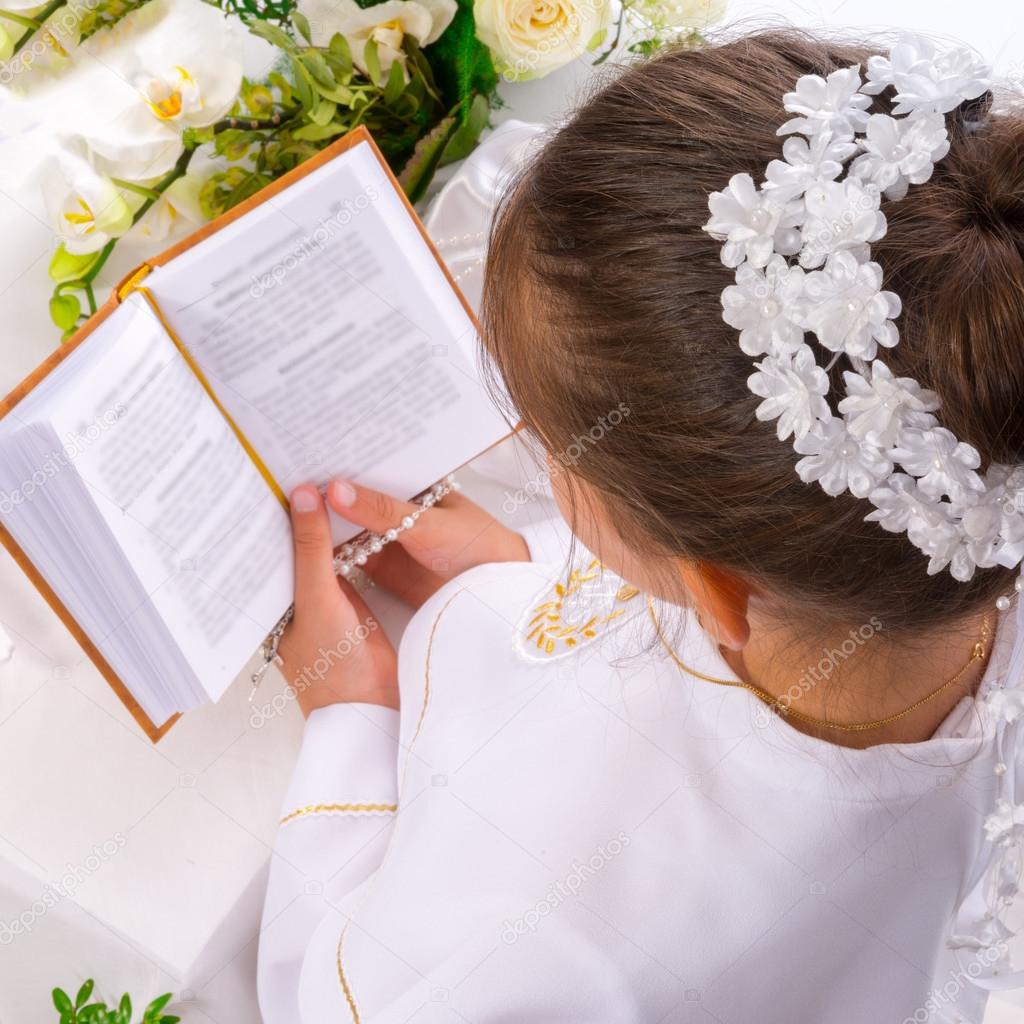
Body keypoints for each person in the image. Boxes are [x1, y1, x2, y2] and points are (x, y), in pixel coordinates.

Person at [257, 30, 1024, 1024]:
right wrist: (516, 580)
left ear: (710, 586)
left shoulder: (581, 940)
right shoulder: (969, 490)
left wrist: (351, 718)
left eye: (554, 448)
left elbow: (343, 1000)